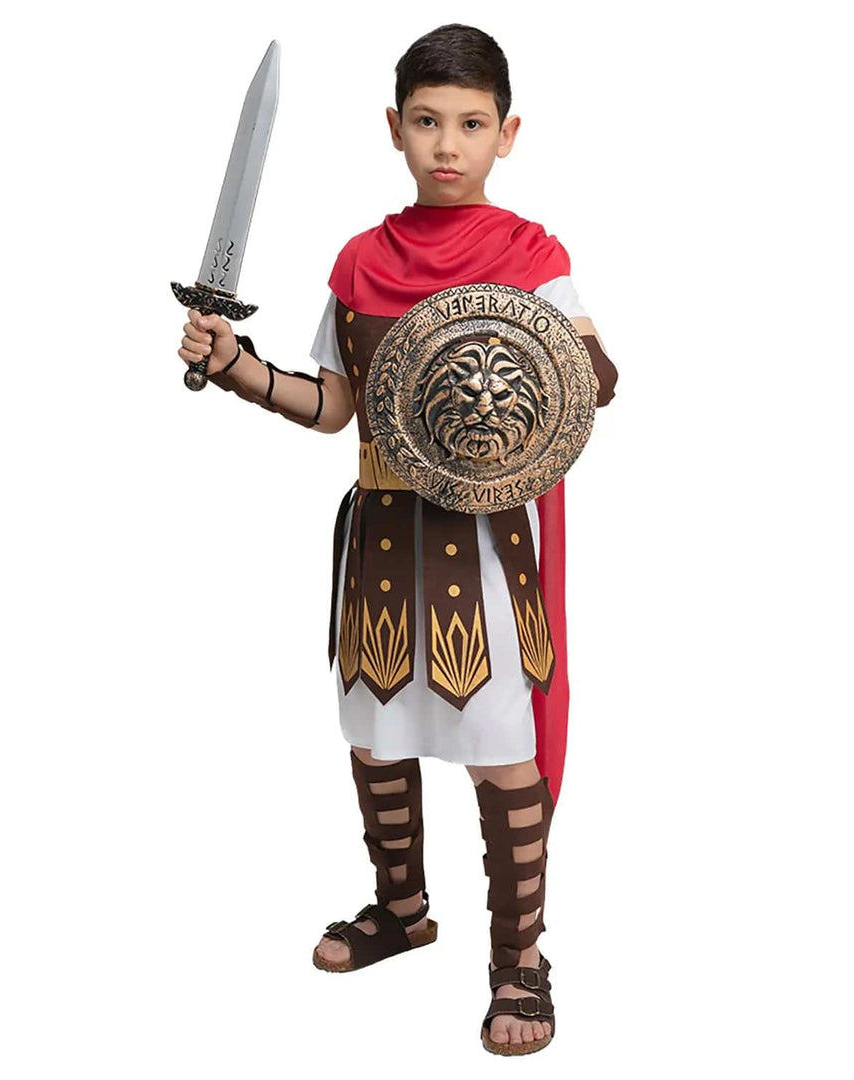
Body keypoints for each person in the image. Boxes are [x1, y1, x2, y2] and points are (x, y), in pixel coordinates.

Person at [176, 23, 617, 1056]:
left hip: (482, 540)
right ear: (395, 128)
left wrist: (566, 359)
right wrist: (240, 365)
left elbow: (590, 379)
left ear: (507, 133)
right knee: (375, 733)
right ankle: (402, 909)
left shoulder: (531, 258)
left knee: (501, 747)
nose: (446, 145)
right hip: (380, 535)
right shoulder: (363, 262)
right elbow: (333, 405)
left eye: (469, 124)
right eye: (426, 122)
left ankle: (521, 960)